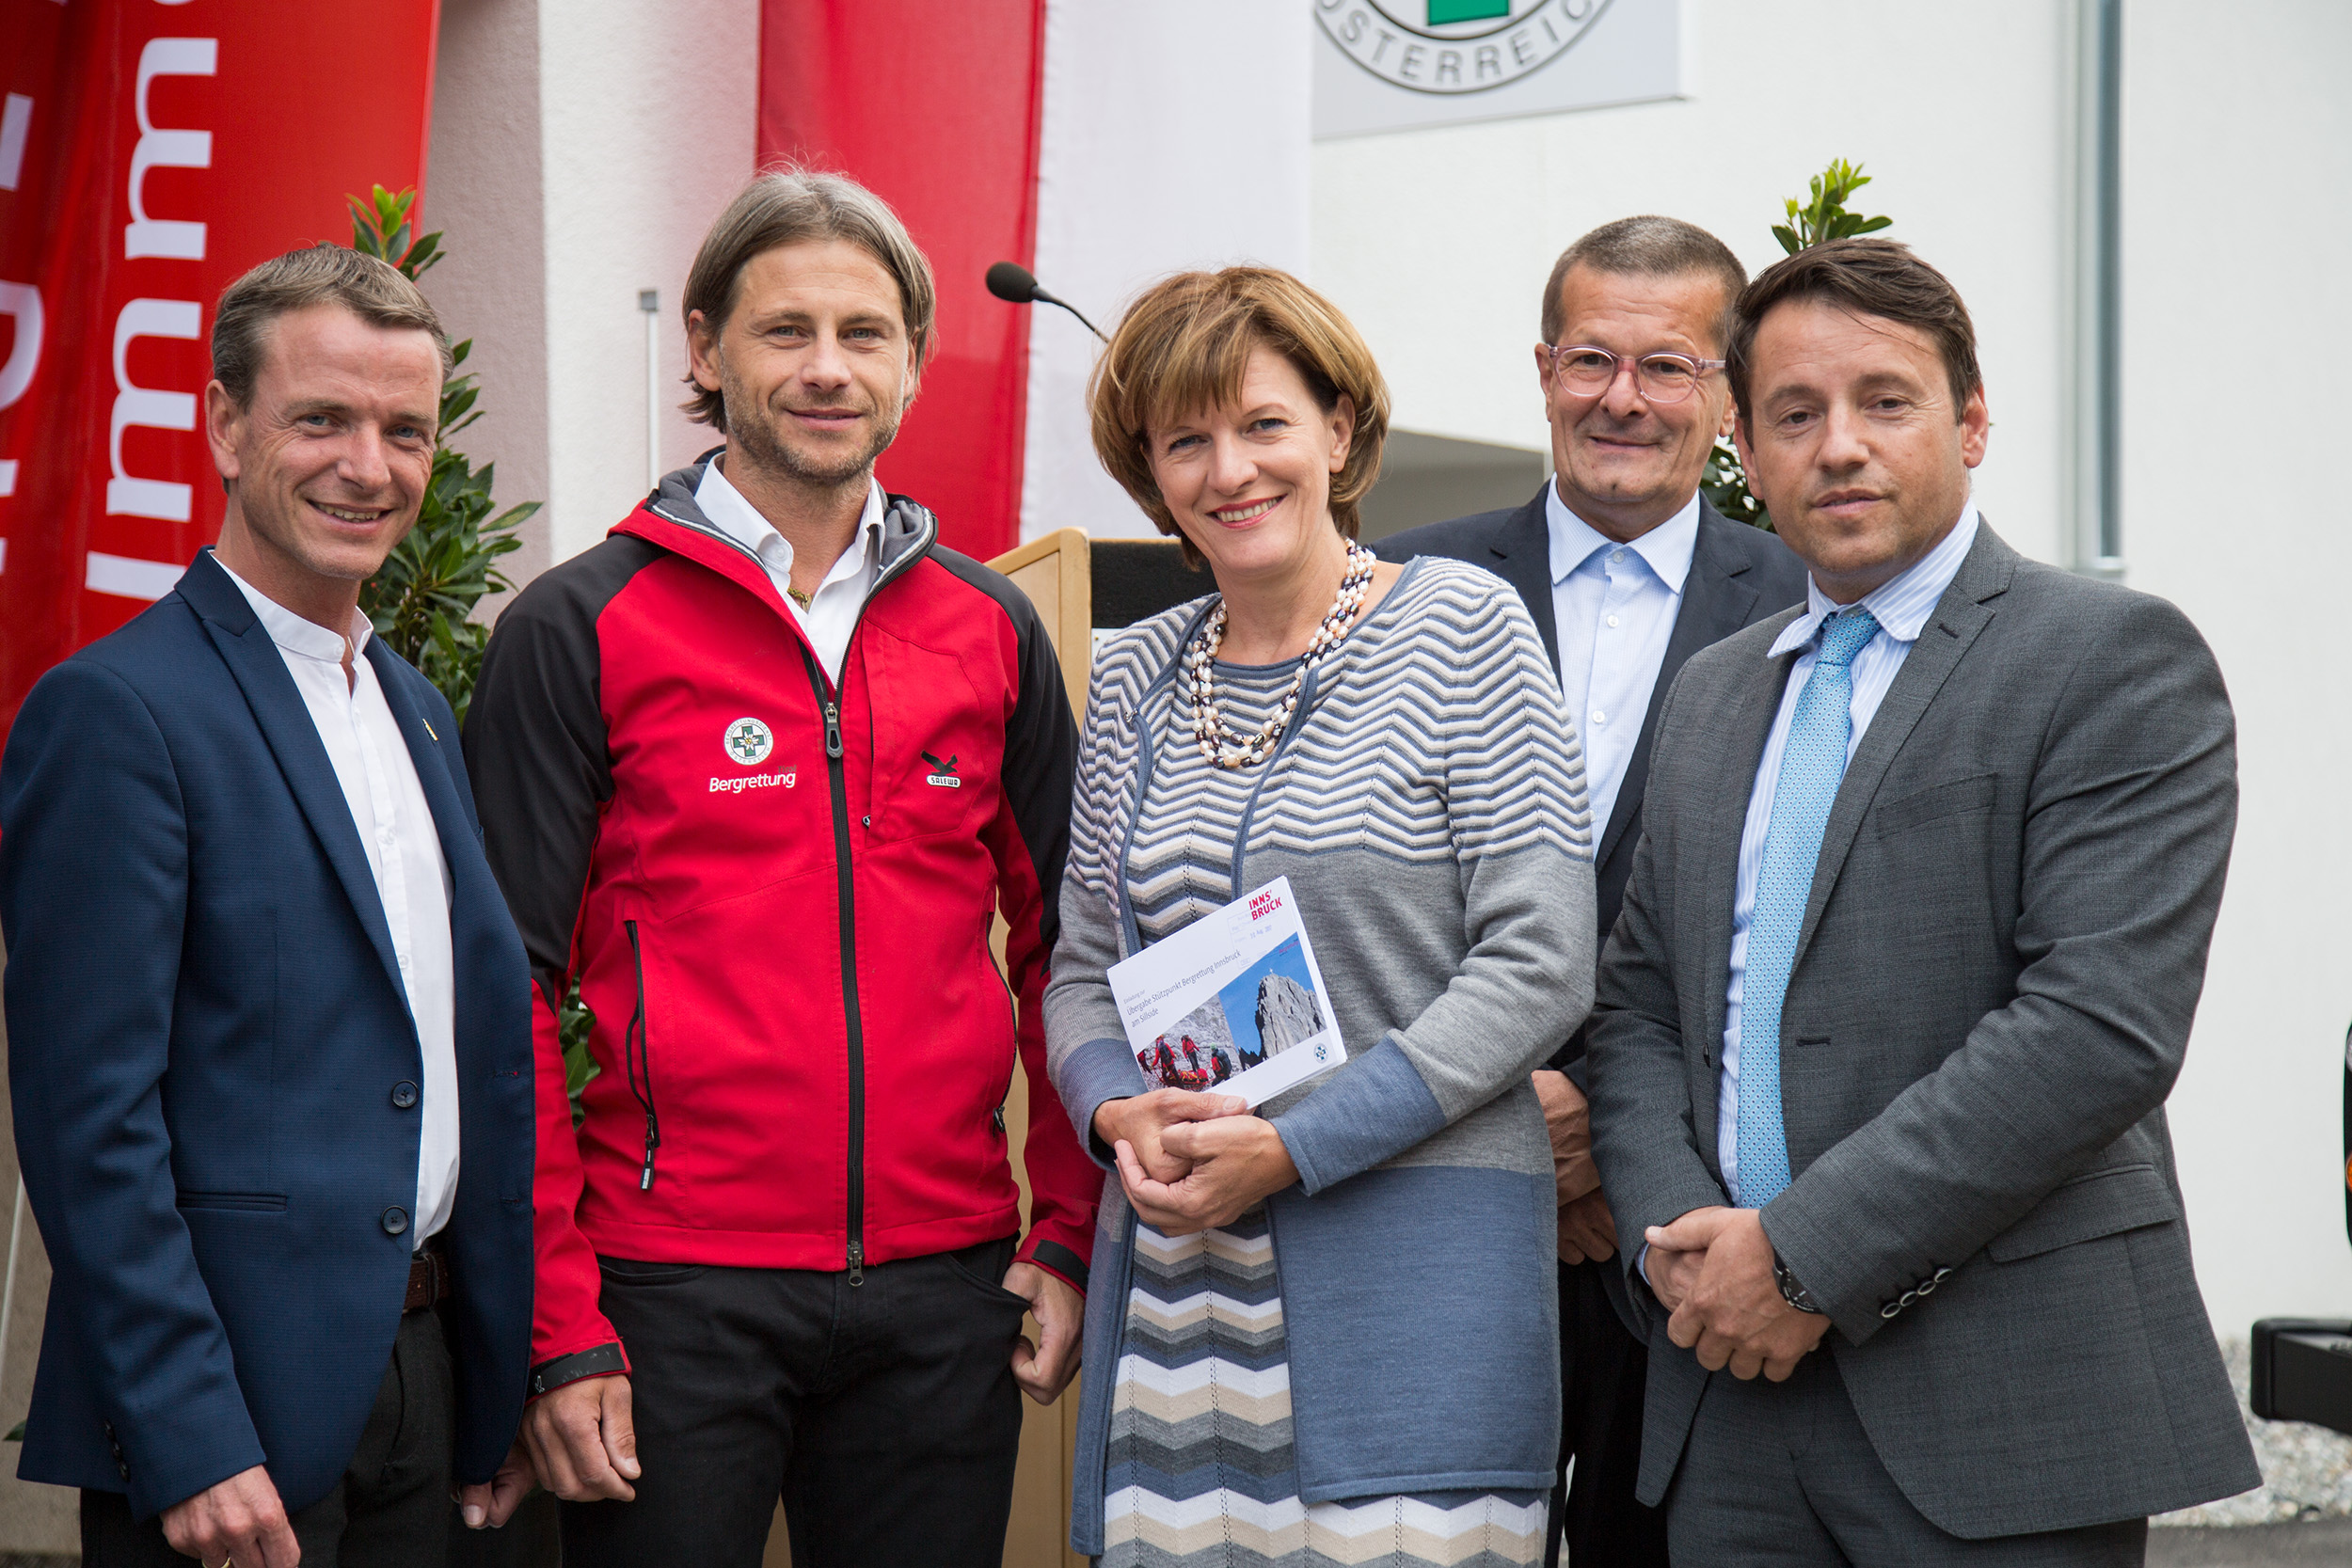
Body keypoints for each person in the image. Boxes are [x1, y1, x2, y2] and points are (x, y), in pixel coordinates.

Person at [1585, 237, 2258, 1563]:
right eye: (1794, 414)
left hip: (1995, 1398)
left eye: (1884, 402)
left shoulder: (2109, 659)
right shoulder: (1717, 693)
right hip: (1727, 1393)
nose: (1839, 446)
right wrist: (1687, 1254)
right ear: (1746, 448)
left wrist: (1801, 1257)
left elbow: (2095, 1027)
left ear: (1973, 421)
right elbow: (1642, 1011)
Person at [461, 168, 1096, 1567]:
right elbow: (499, 990)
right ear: (705, 349)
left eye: (865, 334)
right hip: (671, 1296)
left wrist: (1065, 1227)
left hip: (945, 1295)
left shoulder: (991, 630)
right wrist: (559, 1323)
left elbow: (1073, 951)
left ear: (915, 364)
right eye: (784, 330)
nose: (827, 369)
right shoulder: (580, 625)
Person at [1044, 266, 1597, 1567]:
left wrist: (1295, 1149)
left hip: (1412, 1292)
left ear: (1340, 432)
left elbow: (1539, 963)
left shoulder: (1466, 629)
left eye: (1263, 424)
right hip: (1181, 1290)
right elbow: (1079, 972)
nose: (1229, 469)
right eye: (1187, 441)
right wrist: (1118, 1111)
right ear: (1152, 474)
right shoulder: (1131, 672)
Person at [0, 245, 535, 1567]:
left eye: (405, 430)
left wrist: (488, 1372)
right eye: (322, 419)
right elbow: (87, 1118)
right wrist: (189, 1430)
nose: (371, 465)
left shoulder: (413, 708)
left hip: (421, 1387)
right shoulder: (117, 711)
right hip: (228, 1420)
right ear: (227, 425)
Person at [1375, 214, 1805, 1568]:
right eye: (1591, 359)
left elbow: (1790, 930)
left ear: (1728, 396)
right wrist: (1506, 1110)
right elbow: (1360, 888)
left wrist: (1622, 1142)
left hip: (1676, 1218)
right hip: (1433, 1177)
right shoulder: (1403, 587)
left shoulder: (1805, 607)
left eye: (1669, 367)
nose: (1623, 398)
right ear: (1543, 367)